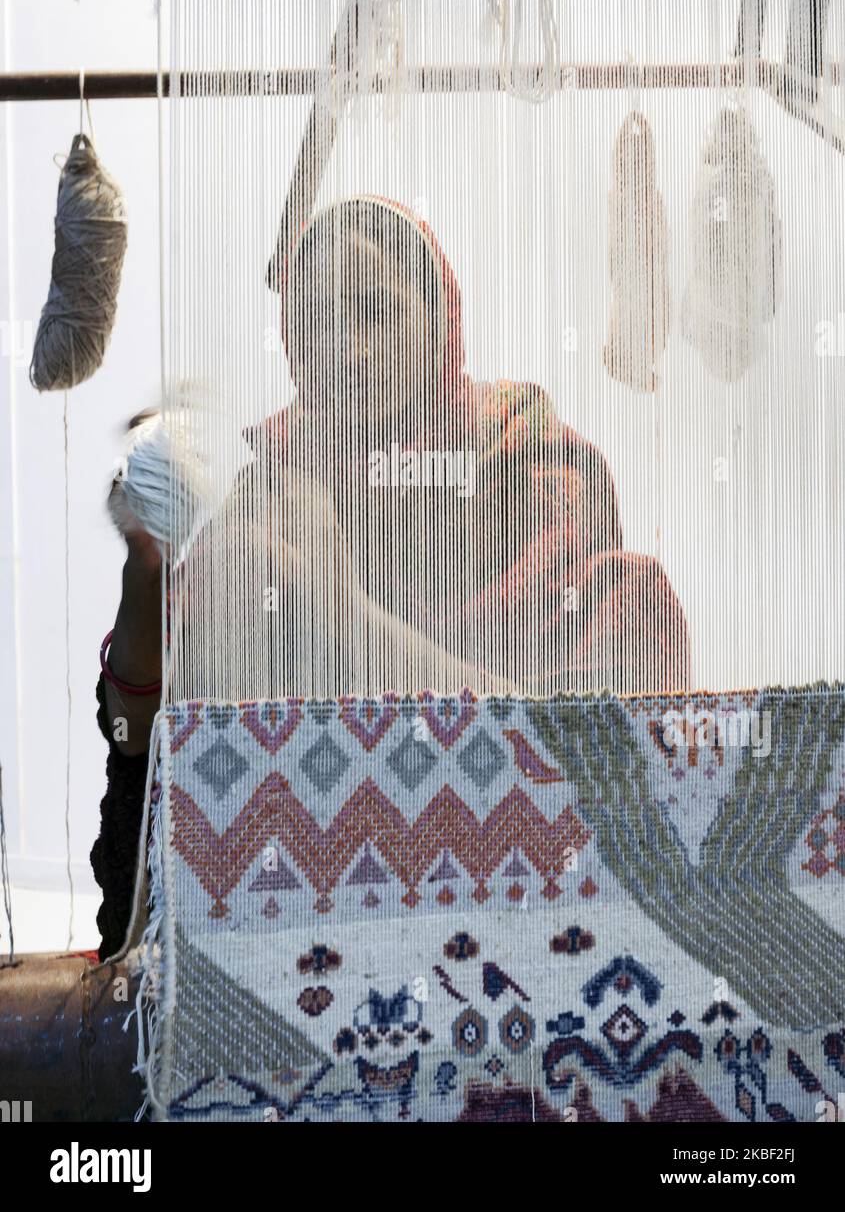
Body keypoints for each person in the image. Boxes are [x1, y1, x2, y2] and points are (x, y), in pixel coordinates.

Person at [92, 194, 690, 959]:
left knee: (635, 596)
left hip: (547, 916)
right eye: (319, 326)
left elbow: (594, 763)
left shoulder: (530, 468)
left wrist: (342, 618)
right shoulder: (274, 496)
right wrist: (145, 570)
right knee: (239, 578)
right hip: (319, 919)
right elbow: (141, 740)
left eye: (373, 311)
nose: (348, 349)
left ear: (437, 317)